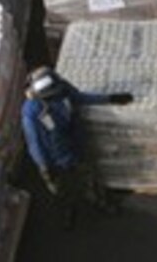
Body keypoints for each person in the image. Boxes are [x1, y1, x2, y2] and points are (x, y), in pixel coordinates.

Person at [21, 66, 133, 228]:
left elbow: (80, 97)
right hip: (54, 156)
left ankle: (100, 201)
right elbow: (35, 143)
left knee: (88, 174)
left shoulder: (61, 89)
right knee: (60, 189)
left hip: (73, 142)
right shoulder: (32, 113)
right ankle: (66, 212)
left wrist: (110, 98)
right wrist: (44, 165)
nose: (58, 97)